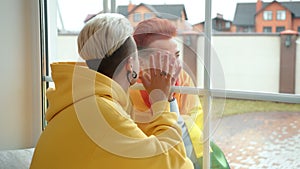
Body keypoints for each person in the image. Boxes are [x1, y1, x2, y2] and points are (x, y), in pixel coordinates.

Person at [30, 13, 193, 169]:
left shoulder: (76, 104)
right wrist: (160, 100)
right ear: (131, 64)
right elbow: (175, 163)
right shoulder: (105, 113)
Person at [130, 18, 230, 169]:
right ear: (141, 63)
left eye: (176, 56)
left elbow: (195, 126)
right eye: (164, 59)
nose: (175, 65)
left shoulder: (182, 79)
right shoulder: (129, 90)